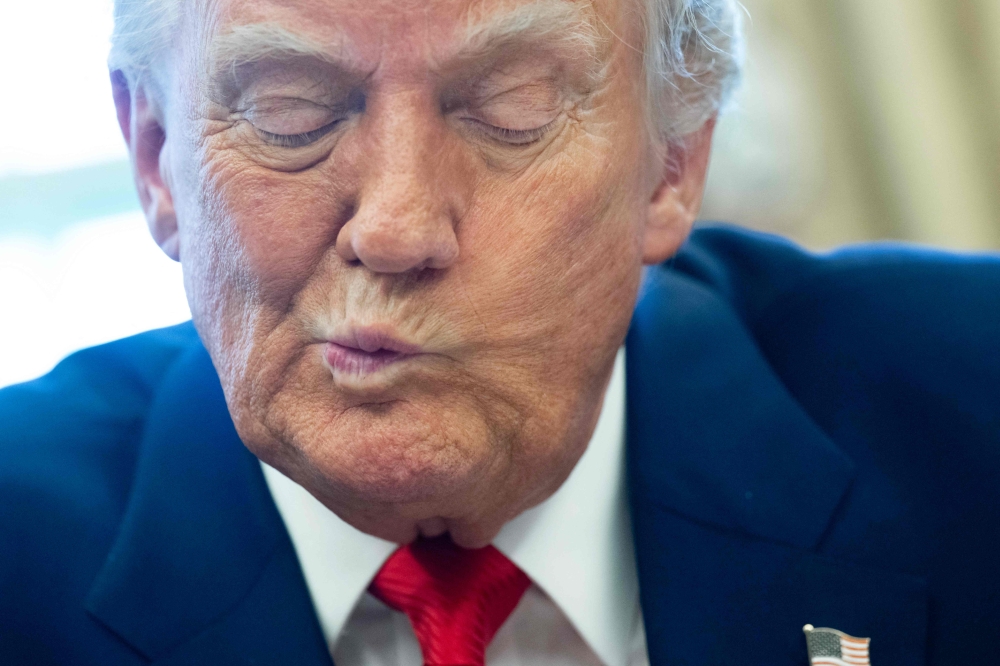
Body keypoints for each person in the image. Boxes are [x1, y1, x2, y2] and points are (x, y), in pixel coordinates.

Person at [2, 0, 999, 663]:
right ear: (155, 160)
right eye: (289, 111)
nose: (395, 228)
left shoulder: (968, 407)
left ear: (672, 163)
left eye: (512, 110)